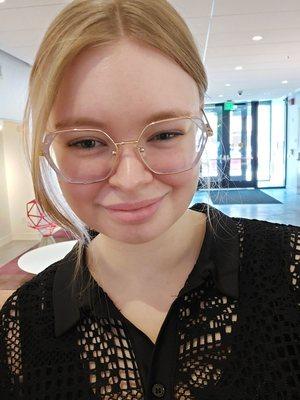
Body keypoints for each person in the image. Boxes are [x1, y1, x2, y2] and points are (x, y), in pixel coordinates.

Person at [0, 0, 299, 399]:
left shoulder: (291, 270)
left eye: (164, 134)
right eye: (87, 142)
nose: (130, 180)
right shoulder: (21, 325)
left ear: (201, 130)